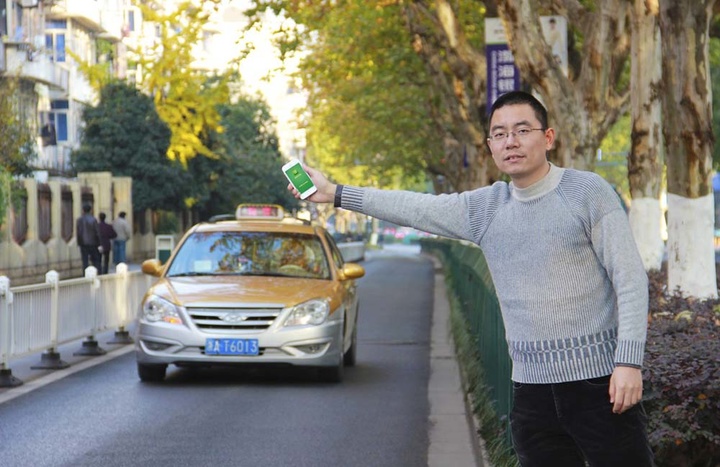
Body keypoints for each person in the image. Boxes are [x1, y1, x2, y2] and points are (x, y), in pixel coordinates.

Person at [288, 91, 654, 466]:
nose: (510, 141)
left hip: (601, 385)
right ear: (490, 146)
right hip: (530, 392)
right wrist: (334, 193)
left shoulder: (587, 192)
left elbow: (629, 279)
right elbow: (414, 207)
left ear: (548, 138)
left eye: (522, 130)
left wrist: (628, 363)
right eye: (500, 134)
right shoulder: (486, 208)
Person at [76, 203, 101, 274]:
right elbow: (97, 232)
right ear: (90, 210)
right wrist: (99, 243)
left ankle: (85, 273)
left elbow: (79, 233)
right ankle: (96, 272)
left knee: (85, 260)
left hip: (83, 243)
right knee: (95, 260)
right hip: (93, 243)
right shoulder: (93, 220)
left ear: (83, 210)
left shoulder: (79, 220)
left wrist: (79, 243)